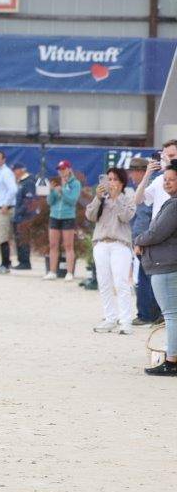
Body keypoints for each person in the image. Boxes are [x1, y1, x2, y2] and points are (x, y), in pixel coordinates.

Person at [135, 163, 177, 376]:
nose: (167, 183)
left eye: (172, 179)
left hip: (166, 265)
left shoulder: (174, 205)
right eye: (165, 179)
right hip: (168, 263)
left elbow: (157, 233)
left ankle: (172, 361)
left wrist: (138, 240)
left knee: (171, 315)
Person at [86, 166, 136, 333]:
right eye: (109, 179)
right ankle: (110, 318)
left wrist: (116, 198)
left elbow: (126, 217)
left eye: (115, 179)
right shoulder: (102, 199)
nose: (111, 183)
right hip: (101, 243)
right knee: (104, 282)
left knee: (121, 283)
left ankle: (126, 321)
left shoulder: (128, 198)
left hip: (120, 245)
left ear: (122, 182)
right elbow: (90, 216)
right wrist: (98, 197)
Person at [129, 156, 162, 327]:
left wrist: (140, 241)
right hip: (143, 239)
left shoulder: (148, 187)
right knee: (145, 278)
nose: (131, 175)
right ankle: (148, 313)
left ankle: (148, 314)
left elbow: (145, 219)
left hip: (145, 241)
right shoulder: (146, 187)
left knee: (146, 279)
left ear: (141, 172)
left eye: (133, 171)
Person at [44, 160, 83, 281]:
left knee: (68, 245)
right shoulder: (56, 182)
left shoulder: (75, 183)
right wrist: (51, 191)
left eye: (64, 169)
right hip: (55, 215)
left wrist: (62, 191)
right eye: (60, 169)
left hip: (68, 216)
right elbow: (50, 202)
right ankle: (52, 271)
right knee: (53, 245)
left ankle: (69, 272)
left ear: (69, 169)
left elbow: (72, 200)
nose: (61, 171)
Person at [0, 150, 17, 274]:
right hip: (0, 207)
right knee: (4, 237)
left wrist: (6, 203)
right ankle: (7, 262)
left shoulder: (5, 172)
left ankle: (5, 264)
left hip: (3, 209)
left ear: (3, 160)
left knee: (3, 237)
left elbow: (13, 189)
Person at [11, 162, 36, 270]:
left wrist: (19, 212)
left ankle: (25, 262)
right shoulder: (21, 182)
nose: (14, 173)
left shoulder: (28, 182)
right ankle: (21, 261)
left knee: (23, 239)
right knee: (19, 239)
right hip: (19, 216)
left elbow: (28, 201)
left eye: (15, 170)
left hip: (25, 217)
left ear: (21, 170)